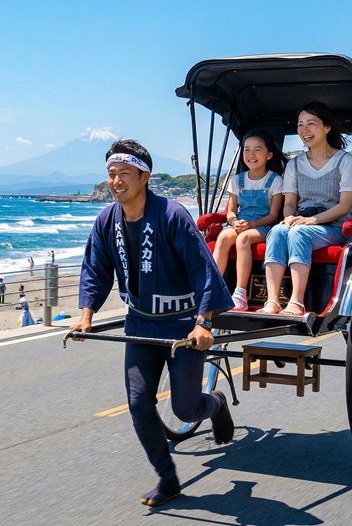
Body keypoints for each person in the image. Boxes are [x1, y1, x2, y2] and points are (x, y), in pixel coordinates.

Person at [70, 138, 234, 507]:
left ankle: (216, 406)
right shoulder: (106, 220)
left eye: (124, 173)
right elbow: (95, 269)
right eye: (111, 174)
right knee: (139, 402)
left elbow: (202, 268)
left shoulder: (172, 214)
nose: (116, 182)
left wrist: (203, 322)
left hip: (182, 325)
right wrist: (85, 317)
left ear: (144, 176)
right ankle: (167, 479)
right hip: (140, 324)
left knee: (185, 409)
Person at [261, 103, 352, 316]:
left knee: (299, 232)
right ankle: (272, 301)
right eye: (300, 125)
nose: (304, 130)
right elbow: (289, 203)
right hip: (302, 222)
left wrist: (312, 220)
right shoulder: (295, 164)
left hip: (334, 227)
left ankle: (296, 302)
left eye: (311, 124)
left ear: (326, 128)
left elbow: (344, 206)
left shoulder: (346, 161)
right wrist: (288, 218)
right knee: (278, 231)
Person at [211, 130, 286, 311]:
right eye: (247, 150)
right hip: (240, 222)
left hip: (263, 225)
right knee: (223, 237)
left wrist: (250, 225)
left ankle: (240, 293)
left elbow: (274, 215)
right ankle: (213, 289)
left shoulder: (275, 180)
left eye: (257, 150)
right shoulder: (238, 180)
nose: (251, 155)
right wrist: (234, 221)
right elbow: (230, 210)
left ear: (268, 155)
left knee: (243, 239)